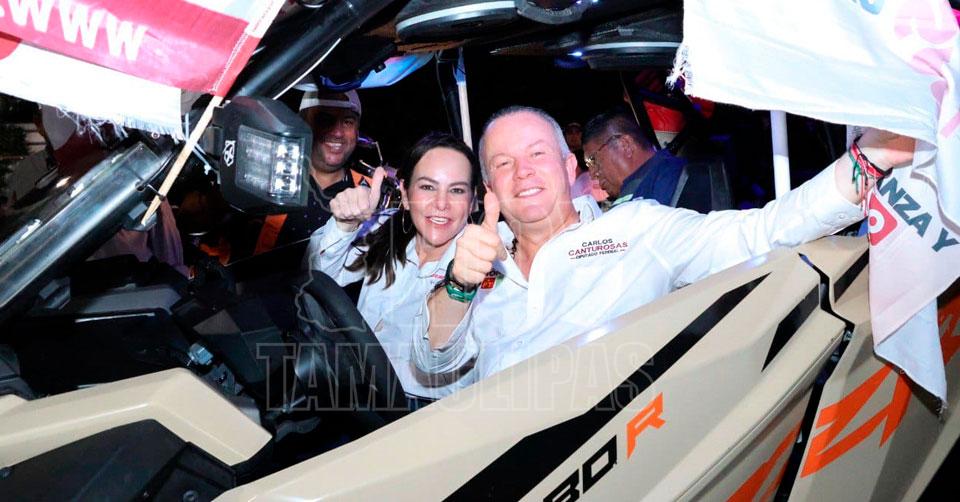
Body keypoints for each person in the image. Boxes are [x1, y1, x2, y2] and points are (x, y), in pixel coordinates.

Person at [413, 105, 913, 390]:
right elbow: (432, 366)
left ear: (569, 169)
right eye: (503, 164)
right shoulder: (473, 258)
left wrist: (868, 160)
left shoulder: (636, 230)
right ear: (489, 189)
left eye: (537, 154)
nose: (522, 172)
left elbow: (760, 232)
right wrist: (458, 286)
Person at [306, 132, 481, 404]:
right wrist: (345, 225)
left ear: (472, 201)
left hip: (422, 408)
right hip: (354, 387)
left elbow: (442, 357)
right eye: (427, 187)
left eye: (457, 190)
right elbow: (316, 276)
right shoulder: (385, 230)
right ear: (405, 194)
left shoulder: (481, 263)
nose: (441, 204)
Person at [230, 90, 371, 261]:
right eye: (325, 120)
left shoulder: (371, 193)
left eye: (348, 122)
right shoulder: (260, 175)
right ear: (303, 122)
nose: (337, 133)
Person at [582, 109, 718, 212]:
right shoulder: (666, 174)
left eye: (593, 160)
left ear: (625, 145)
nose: (593, 174)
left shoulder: (669, 180)